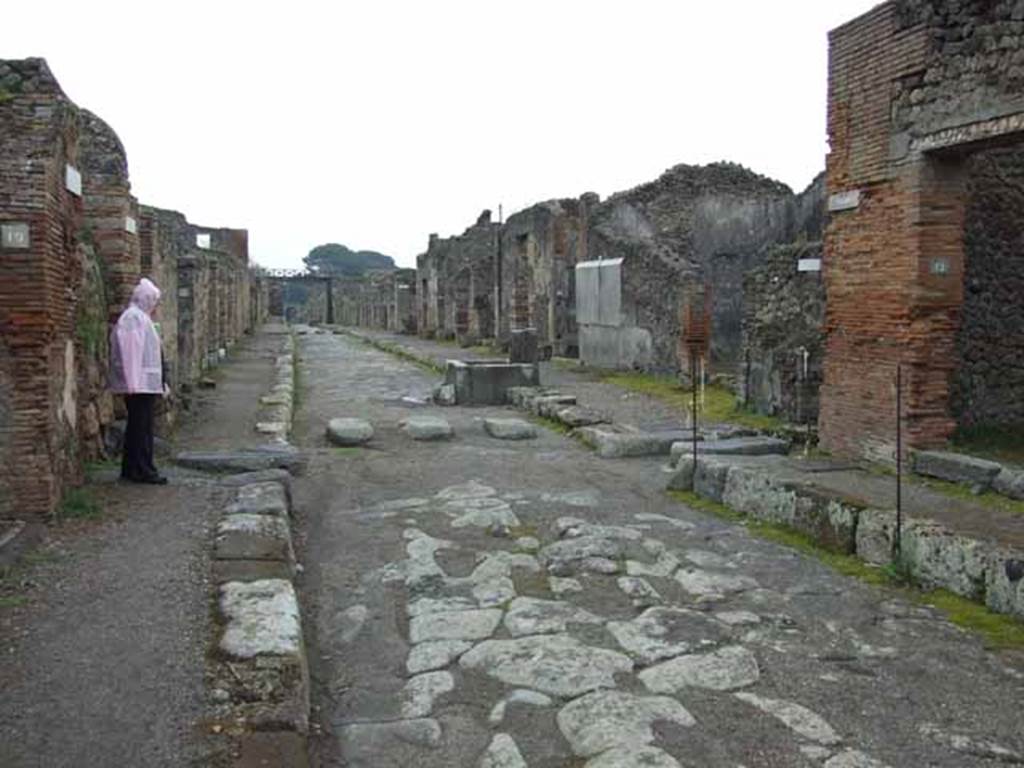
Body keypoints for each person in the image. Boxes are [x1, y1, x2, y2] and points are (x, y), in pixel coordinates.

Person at [110, 278, 168, 484]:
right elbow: (131, 352)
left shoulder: (139, 317)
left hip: (144, 383)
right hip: (140, 384)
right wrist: (133, 382)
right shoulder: (133, 318)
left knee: (139, 427)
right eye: (154, 300)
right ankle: (143, 470)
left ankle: (134, 468)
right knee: (140, 428)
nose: (155, 305)